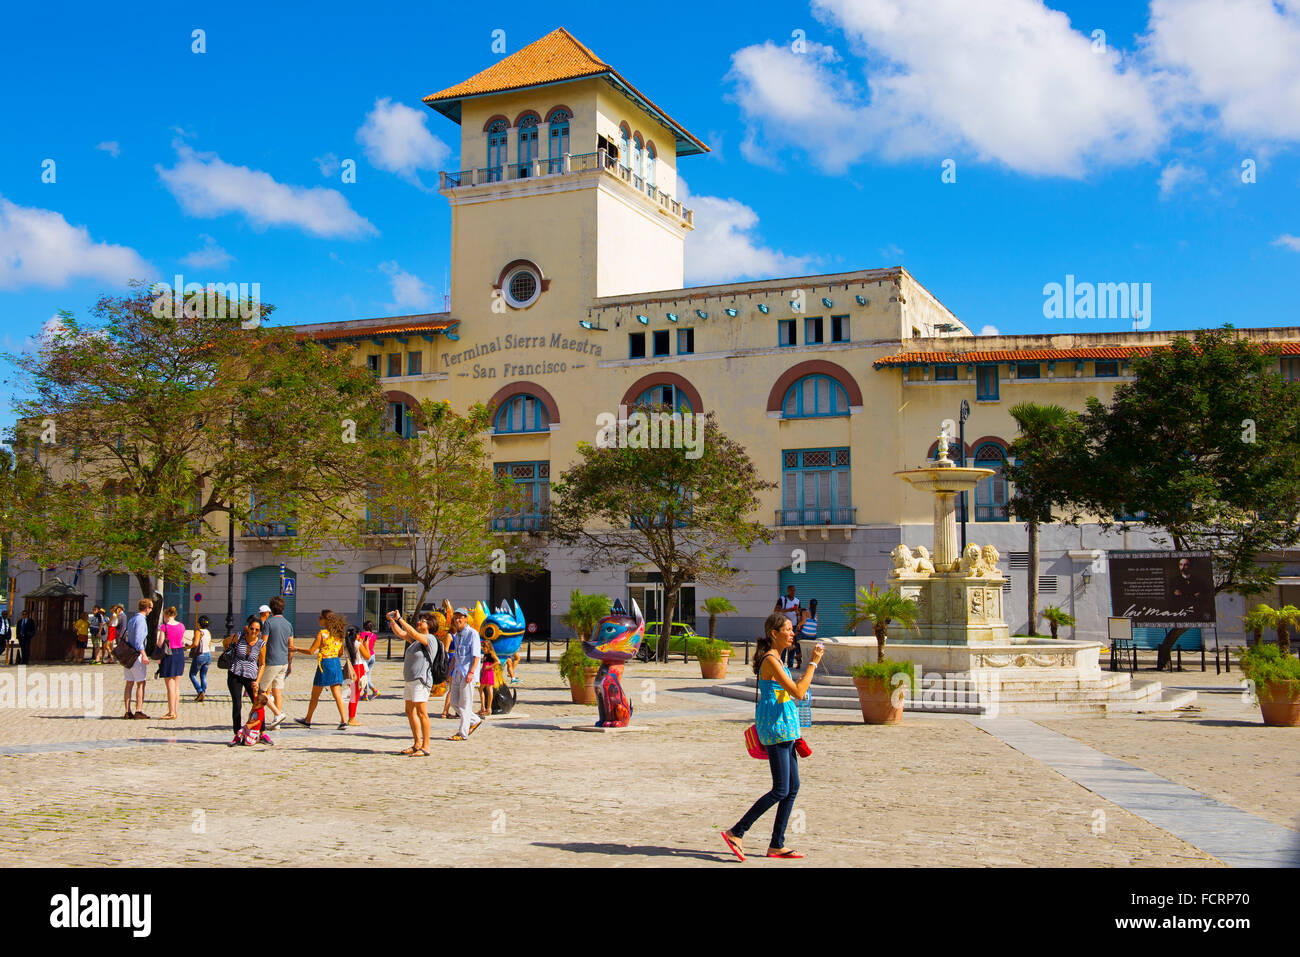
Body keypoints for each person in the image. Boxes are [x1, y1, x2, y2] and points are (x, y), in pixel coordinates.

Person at [721, 612, 824, 862]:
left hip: (787, 729)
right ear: (774, 634)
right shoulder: (771, 660)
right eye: (787, 630)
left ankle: (777, 844)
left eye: (792, 629)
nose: (792, 633)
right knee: (780, 789)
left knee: (793, 787)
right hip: (776, 730)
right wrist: (813, 663)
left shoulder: (779, 658)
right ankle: (736, 831)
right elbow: (799, 692)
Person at [389, 610, 441, 756]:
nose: (420, 622)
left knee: (422, 712)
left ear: (430, 625)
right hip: (410, 680)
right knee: (409, 711)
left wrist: (400, 619)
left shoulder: (430, 639)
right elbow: (401, 633)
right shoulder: (416, 641)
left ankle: (426, 746)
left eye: (423, 620)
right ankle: (417, 743)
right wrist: (392, 621)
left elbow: (411, 631)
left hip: (421, 680)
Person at [293, 610, 349, 730]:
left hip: (324, 664)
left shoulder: (322, 634)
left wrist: (296, 649)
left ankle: (308, 719)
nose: (318, 619)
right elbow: (341, 652)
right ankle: (344, 720)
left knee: (315, 694)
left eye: (320, 617)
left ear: (325, 620)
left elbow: (311, 651)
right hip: (335, 663)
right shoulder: (339, 634)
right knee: (337, 693)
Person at [222, 622, 267, 745]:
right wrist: (229, 656)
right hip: (234, 674)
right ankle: (237, 735)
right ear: (248, 628)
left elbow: (262, 664)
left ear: (259, 631)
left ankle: (262, 733)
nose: (253, 631)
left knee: (258, 704)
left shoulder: (261, 644)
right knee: (237, 704)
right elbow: (225, 643)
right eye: (252, 628)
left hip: (251, 677)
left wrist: (257, 681)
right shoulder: (239, 636)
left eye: (256, 630)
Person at [447, 606, 482, 741]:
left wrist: (472, 672)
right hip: (457, 671)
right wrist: (449, 672)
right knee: (454, 703)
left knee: (465, 704)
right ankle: (474, 719)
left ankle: (462, 733)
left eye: (460, 617)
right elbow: (455, 656)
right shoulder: (457, 635)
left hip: (467, 672)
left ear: (466, 619)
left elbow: (476, 656)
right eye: (456, 617)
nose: (457, 620)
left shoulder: (472, 633)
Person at [260, 597, 293, 729]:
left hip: (271, 661)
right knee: (277, 691)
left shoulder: (268, 623)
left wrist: (259, 660)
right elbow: (291, 646)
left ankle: (277, 714)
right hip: (283, 661)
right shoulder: (288, 624)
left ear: (271, 608)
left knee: (261, 691)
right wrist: (290, 663)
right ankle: (276, 722)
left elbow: (263, 643)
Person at [122, 598, 152, 719]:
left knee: (129, 683)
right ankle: (138, 710)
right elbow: (139, 640)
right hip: (136, 655)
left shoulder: (132, 619)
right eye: (151, 608)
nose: (151, 610)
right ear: (146, 608)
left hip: (128, 654)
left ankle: (127, 711)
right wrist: (144, 654)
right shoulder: (141, 620)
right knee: (141, 682)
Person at [157, 606, 187, 719]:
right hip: (180, 654)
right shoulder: (181, 626)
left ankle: (171, 712)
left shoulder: (164, 627)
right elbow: (182, 640)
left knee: (170, 684)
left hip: (169, 654)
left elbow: (160, 643)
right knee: (176, 685)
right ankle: (175, 710)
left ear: (166, 615)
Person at [343, 626, 368, 726]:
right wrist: (366, 645)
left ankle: (350, 717)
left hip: (349, 668)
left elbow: (340, 653)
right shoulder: (358, 644)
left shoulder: (345, 644)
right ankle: (351, 718)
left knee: (352, 694)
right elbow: (367, 656)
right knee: (355, 695)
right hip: (358, 668)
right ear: (356, 635)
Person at [775, 585, 801, 668]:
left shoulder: (797, 601)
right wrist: (789, 610)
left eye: (794, 590)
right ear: (788, 591)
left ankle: (790, 664)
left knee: (791, 645)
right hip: (783, 625)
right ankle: (781, 663)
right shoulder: (782, 599)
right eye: (791, 590)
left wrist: (797, 612)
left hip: (793, 625)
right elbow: (776, 610)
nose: (793, 592)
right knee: (783, 644)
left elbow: (800, 614)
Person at [188, 614, 213, 701]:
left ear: (199, 623)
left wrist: (187, 647)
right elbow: (209, 644)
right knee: (203, 675)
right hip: (208, 655)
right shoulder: (208, 632)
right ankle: (203, 693)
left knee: (192, 674)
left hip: (200, 655)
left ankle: (199, 691)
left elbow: (195, 644)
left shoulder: (199, 632)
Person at [359, 620, 379, 700]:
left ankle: (374, 690)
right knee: (367, 675)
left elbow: (360, 645)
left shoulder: (362, 635)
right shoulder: (374, 635)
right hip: (372, 655)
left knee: (364, 676)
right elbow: (373, 645)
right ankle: (365, 694)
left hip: (365, 656)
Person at [479, 640, 498, 717]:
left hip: (489, 672)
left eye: (484, 647)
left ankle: (488, 708)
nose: (483, 649)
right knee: (481, 689)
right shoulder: (486, 654)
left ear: (488, 647)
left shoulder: (491, 654)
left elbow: (497, 661)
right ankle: (483, 707)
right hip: (485, 672)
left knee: (488, 689)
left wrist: (489, 667)